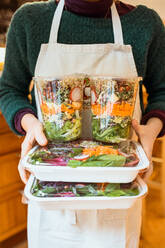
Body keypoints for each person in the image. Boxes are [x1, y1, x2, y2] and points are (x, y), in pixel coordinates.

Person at [0, 0, 165, 247]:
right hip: (53, 188)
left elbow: (162, 91)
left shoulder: (145, 24)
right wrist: (29, 123)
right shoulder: (30, 20)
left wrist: (151, 130)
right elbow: (9, 89)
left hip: (118, 186)